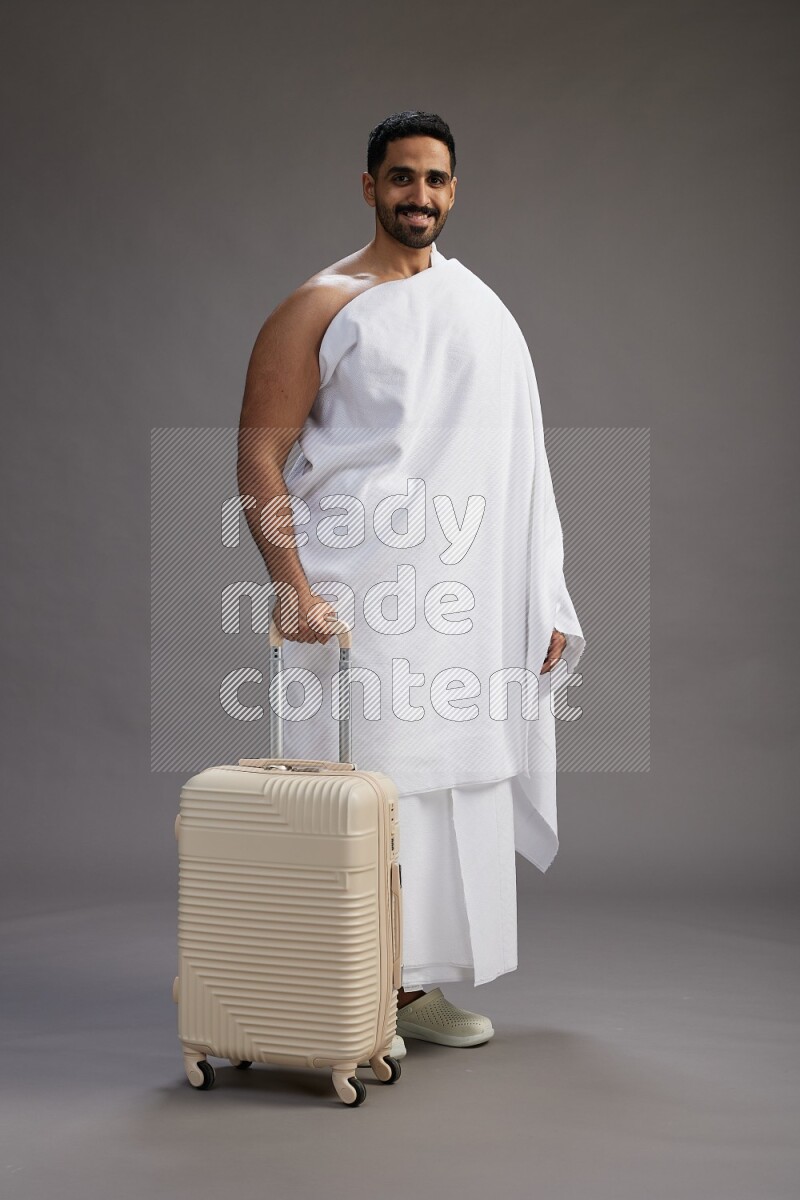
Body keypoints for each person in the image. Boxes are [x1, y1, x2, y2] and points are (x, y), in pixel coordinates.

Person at [236, 111, 585, 1059]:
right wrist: (291, 585)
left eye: (434, 180)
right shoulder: (320, 303)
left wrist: (545, 595)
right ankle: (344, 986)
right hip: (357, 597)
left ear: (453, 191)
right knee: (360, 787)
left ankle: (413, 981)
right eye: (400, 178)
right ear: (368, 186)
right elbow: (259, 461)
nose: (418, 196)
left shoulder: (480, 307)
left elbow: (523, 465)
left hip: (462, 600)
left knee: (445, 787)